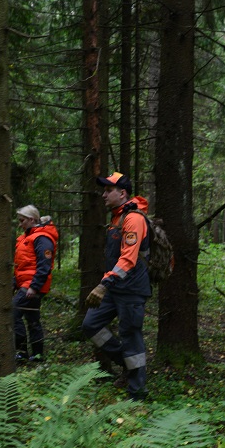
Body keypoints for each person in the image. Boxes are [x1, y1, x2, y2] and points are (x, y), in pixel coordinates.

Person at [81, 172, 151, 401]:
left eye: (108, 190)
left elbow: (128, 259)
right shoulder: (116, 219)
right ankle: (128, 364)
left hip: (131, 289)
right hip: (115, 287)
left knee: (130, 336)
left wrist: (104, 285)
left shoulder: (134, 219)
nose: (104, 195)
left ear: (122, 193)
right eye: (104, 190)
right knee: (90, 325)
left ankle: (137, 393)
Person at [13, 205, 59, 363]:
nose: (20, 224)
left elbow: (44, 265)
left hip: (33, 285)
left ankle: (21, 352)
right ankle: (38, 355)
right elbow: (21, 265)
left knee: (13, 313)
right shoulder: (25, 238)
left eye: (22, 221)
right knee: (32, 319)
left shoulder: (42, 238)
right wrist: (14, 282)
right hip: (26, 284)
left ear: (31, 219)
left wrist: (34, 287)